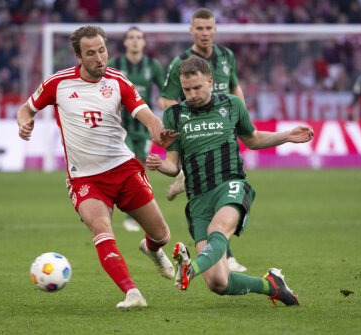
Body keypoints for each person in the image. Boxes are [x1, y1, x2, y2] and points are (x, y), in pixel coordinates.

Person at [17, 26, 178, 309]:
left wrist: (157, 131)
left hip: (123, 169)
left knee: (161, 234)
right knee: (101, 228)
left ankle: (152, 249)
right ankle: (132, 293)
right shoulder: (58, 83)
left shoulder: (118, 81)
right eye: (90, 53)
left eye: (102, 50)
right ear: (78, 56)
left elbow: (147, 115)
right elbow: (26, 108)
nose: (99, 58)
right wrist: (24, 122)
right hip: (85, 179)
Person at [147, 56, 314, 306]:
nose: (191, 94)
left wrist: (287, 136)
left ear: (210, 82)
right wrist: (160, 165)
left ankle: (189, 270)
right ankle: (272, 285)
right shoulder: (174, 114)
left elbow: (253, 139)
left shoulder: (232, 104)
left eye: (197, 87)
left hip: (230, 184)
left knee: (219, 229)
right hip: (198, 198)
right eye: (186, 89)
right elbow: (174, 166)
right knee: (218, 282)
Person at [161, 8, 247, 272]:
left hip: (223, 128)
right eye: (199, 28)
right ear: (191, 31)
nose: (205, 33)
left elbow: (234, 87)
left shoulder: (226, 57)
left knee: (221, 185)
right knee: (211, 189)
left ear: (215, 29)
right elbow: (168, 99)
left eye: (209, 28)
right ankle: (227, 257)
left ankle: (181, 182)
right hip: (196, 133)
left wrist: (239, 121)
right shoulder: (181, 63)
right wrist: (183, 125)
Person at [108, 27, 165, 232]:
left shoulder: (153, 66)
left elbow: (165, 90)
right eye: (131, 38)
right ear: (125, 42)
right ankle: (132, 213)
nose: (134, 41)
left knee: (140, 166)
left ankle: (135, 210)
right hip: (121, 126)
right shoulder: (114, 65)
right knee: (130, 162)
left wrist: (161, 99)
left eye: (138, 38)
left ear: (143, 42)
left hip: (143, 127)